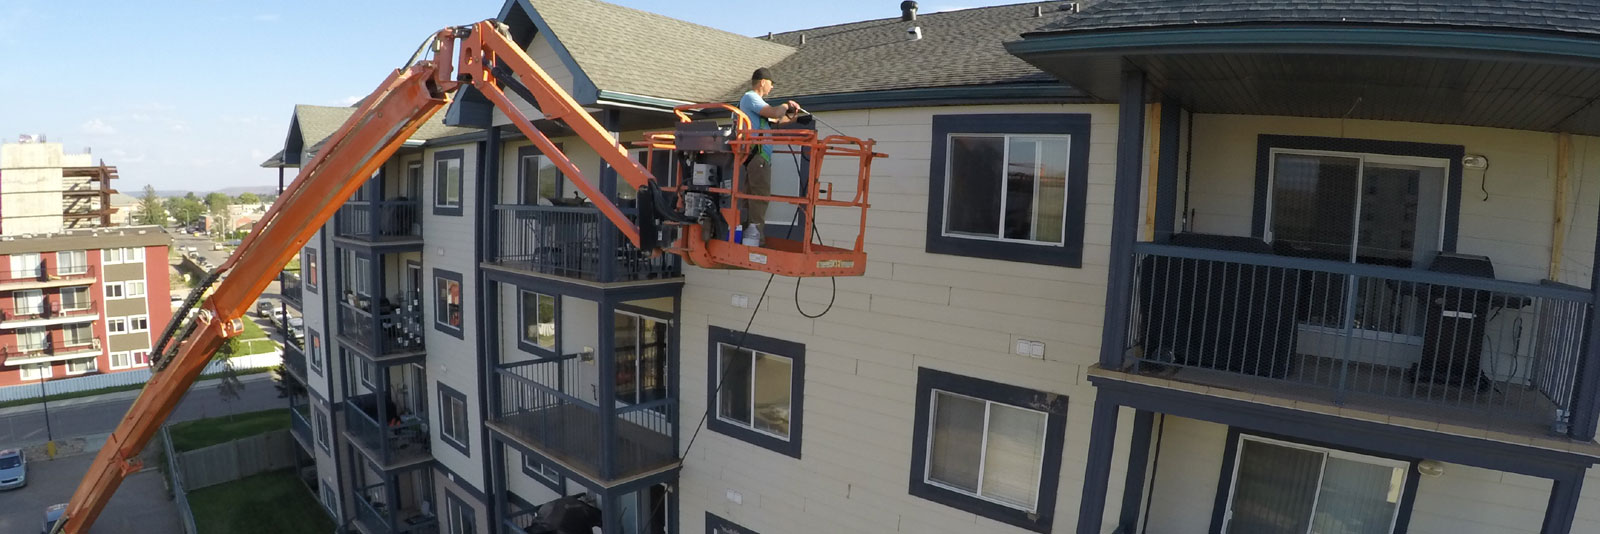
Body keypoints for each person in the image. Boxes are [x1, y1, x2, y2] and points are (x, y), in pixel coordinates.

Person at [737, 67, 800, 244]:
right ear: (763, 82)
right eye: (771, 84)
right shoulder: (751, 98)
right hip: (758, 156)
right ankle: (755, 236)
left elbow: (776, 120)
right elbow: (774, 112)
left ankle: (747, 234)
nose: (772, 88)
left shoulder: (756, 104)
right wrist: (787, 105)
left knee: (752, 196)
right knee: (760, 195)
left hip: (756, 156)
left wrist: (794, 116)